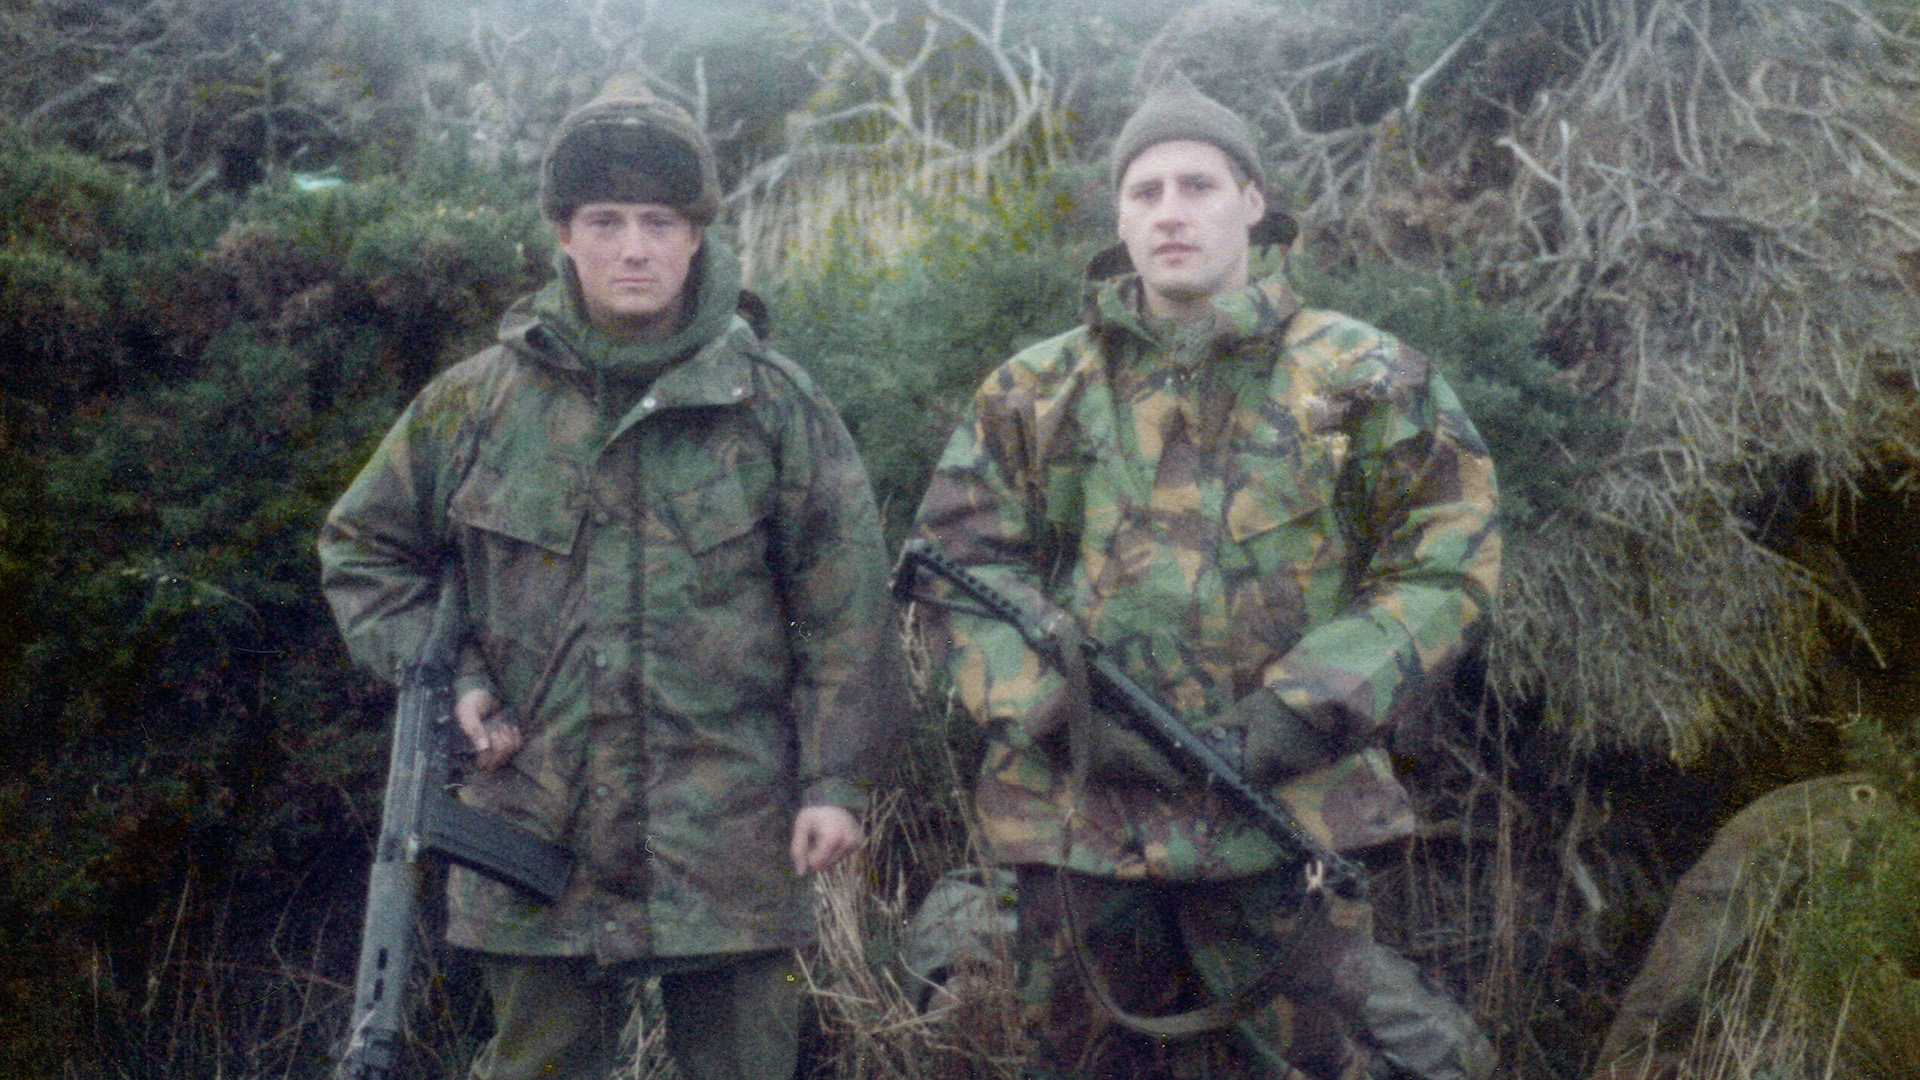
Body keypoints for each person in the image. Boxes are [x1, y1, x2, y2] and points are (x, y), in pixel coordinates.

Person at [907, 73, 1502, 1080]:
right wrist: (1063, 712)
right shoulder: (1036, 387)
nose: (1170, 213)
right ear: (1119, 215)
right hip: (1080, 834)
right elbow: (959, 572)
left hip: (1285, 827)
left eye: (1198, 185)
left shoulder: (1364, 377)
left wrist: (1306, 707)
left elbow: (1449, 560)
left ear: (1254, 201)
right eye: (1145, 192)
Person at [318, 79, 902, 1080]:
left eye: (659, 222)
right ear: (563, 235)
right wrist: (450, 676)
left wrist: (838, 782)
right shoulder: (476, 405)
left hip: (730, 839)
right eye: (606, 221)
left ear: (697, 237)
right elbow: (361, 550)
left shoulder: (773, 406)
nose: (634, 247)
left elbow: (845, 608)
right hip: (533, 829)